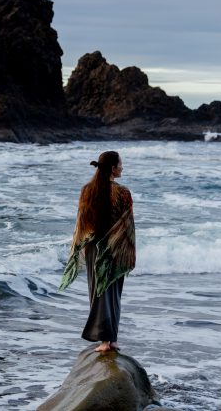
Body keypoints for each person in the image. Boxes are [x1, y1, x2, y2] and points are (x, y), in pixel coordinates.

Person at [58, 151, 136, 353]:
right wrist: (128, 250)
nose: (122, 167)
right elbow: (127, 225)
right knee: (113, 292)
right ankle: (109, 340)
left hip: (95, 245)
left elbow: (82, 222)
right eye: (120, 164)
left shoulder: (87, 191)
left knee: (99, 291)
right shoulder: (123, 192)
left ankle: (107, 340)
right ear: (112, 168)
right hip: (116, 246)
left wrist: (81, 246)